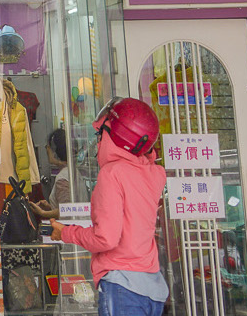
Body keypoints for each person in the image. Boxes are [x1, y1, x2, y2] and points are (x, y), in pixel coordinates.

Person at [53, 98, 168, 316]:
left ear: (117, 137)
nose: (98, 141)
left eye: (101, 133)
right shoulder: (153, 174)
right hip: (153, 286)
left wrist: (65, 232)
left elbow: (105, 238)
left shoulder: (112, 174)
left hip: (123, 286)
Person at [33, 129, 70, 218]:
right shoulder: (69, 172)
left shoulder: (62, 179)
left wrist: (42, 213)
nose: (47, 150)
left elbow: (67, 211)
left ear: (54, 151)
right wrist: (50, 207)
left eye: (47, 147)